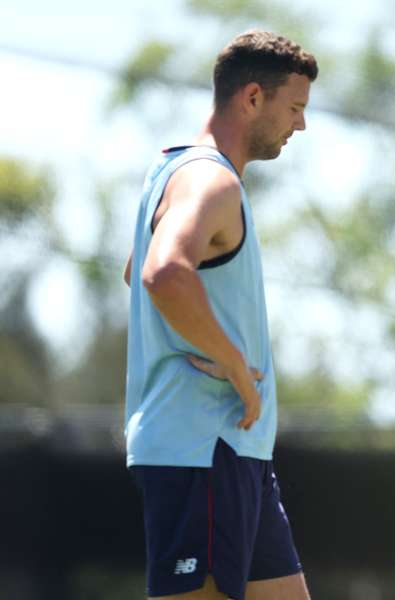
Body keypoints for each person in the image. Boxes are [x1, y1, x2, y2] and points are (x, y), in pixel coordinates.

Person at [123, 30, 317, 600]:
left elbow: (136, 270)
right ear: (252, 97)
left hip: (236, 453)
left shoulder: (176, 171)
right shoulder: (210, 180)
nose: (300, 126)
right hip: (201, 450)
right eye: (295, 108)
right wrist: (233, 363)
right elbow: (162, 274)